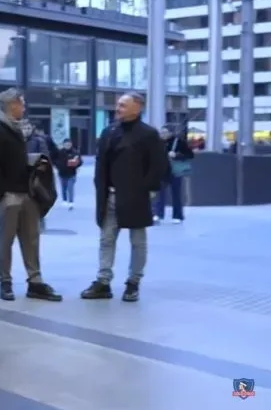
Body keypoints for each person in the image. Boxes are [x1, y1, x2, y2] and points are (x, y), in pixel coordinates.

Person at [80, 92, 165, 303]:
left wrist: (146, 190)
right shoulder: (109, 132)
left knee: (138, 241)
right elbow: (101, 165)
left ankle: (133, 282)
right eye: (118, 105)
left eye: (123, 105)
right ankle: (103, 281)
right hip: (109, 196)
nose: (118, 109)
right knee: (106, 239)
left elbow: (159, 166)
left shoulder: (148, 134)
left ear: (138, 108)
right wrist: (100, 188)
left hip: (136, 196)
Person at [0, 88, 62, 302]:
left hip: (26, 191)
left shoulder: (15, 128)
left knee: (31, 238)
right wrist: (2, 193)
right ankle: (5, 282)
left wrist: (32, 161)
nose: (24, 108)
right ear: (13, 105)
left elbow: (14, 159)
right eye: (22, 104)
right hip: (8, 193)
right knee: (6, 238)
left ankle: (35, 281)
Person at [153, 126, 193, 224]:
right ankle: (158, 214)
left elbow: (190, 155)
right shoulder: (157, 143)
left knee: (176, 194)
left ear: (171, 133)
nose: (162, 134)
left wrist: (176, 155)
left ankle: (178, 216)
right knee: (159, 194)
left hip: (175, 171)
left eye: (165, 132)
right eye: (161, 132)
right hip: (162, 171)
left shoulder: (179, 142)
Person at [53, 138, 82, 210]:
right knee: (63, 188)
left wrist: (76, 164)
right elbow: (54, 160)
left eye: (69, 144)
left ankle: (71, 202)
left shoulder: (75, 152)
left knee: (70, 188)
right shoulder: (59, 152)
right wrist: (58, 166)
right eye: (66, 144)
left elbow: (80, 161)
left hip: (72, 173)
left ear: (71, 144)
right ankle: (64, 200)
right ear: (63, 145)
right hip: (62, 173)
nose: (67, 146)